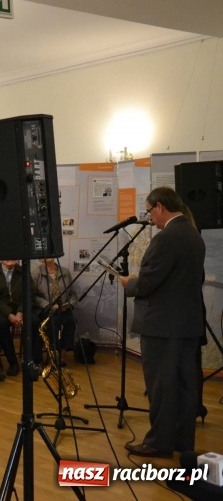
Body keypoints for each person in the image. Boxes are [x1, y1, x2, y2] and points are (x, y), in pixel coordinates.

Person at [119, 187, 205, 458]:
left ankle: (158, 443)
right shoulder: (193, 233)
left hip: (162, 327)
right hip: (188, 325)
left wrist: (129, 283)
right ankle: (182, 442)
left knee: (161, 387)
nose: (149, 217)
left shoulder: (166, 238)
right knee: (184, 387)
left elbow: (147, 283)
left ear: (159, 207)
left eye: (148, 210)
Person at [0, 260, 40, 376]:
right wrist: (9, 314)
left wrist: (20, 312)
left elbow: (29, 294)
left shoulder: (24, 272)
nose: (10, 258)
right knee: (1, 324)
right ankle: (12, 362)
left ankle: (33, 361)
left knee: (34, 321)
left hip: (21, 308)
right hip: (2, 309)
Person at [32, 258, 78, 362]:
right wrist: (50, 305)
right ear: (40, 259)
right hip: (45, 309)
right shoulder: (36, 273)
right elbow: (33, 297)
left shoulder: (65, 272)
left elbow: (73, 293)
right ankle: (53, 354)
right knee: (55, 322)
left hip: (64, 308)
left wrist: (69, 304)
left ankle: (62, 354)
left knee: (71, 321)